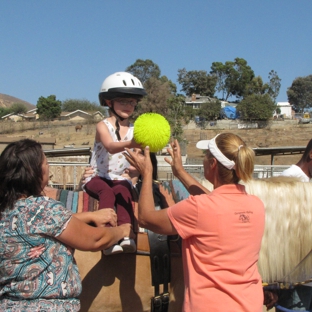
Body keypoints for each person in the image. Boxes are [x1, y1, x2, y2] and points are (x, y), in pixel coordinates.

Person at [124, 133, 265, 312]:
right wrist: (180, 172)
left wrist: (147, 173)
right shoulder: (256, 205)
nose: (203, 160)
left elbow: (145, 217)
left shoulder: (199, 208)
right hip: (251, 304)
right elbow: (215, 205)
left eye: (205, 156)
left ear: (213, 164)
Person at [0, 139, 133, 311]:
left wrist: (90, 216)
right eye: (45, 162)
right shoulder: (44, 209)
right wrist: (122, 230)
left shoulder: (7, 210)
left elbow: (38, 227)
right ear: (34, 172)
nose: (48, 168)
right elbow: (96, 240)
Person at [83, 71, 147, 256]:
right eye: (123, 101)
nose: (129, 106)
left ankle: (127, 235)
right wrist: (132, 144)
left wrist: (140, 159)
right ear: (109, 102)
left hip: (119, 178)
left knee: (124, 191)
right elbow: (111, 146)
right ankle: (107, 236)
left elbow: (136, 158)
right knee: (106, 192)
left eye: (132, 102)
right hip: (97, 176)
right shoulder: (102, 126)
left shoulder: (136, 130)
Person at [268, 138, 312, 311]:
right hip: (293, 282)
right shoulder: (290, 181)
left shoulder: (306, 182)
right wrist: (272, 283)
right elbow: (277, 234)